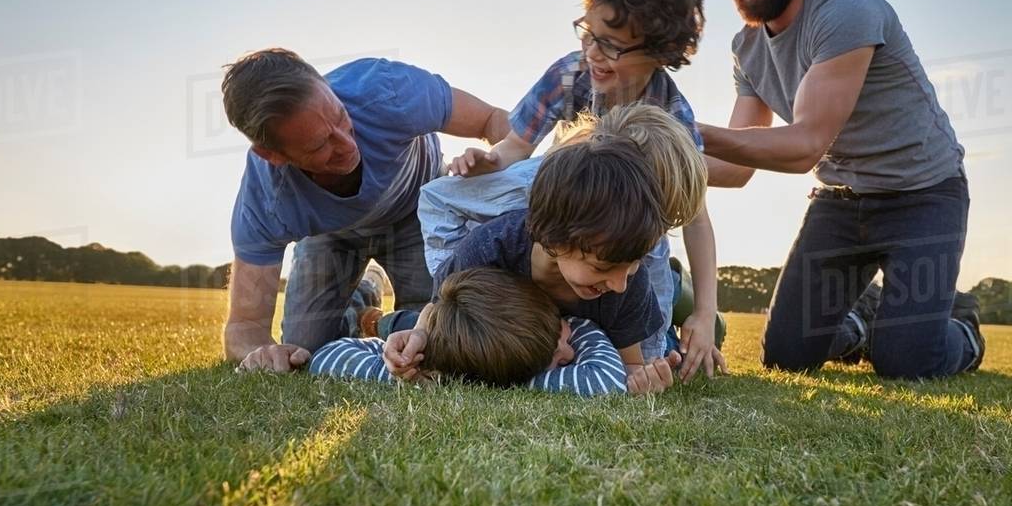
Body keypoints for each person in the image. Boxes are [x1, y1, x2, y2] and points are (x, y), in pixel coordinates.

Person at [700, 0, 986, 379]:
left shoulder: (847, 10)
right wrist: (652, 156)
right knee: (787, 357)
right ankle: (863, 315)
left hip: (923, 194)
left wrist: (684, 129)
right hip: (840, 202)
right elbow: (736, 162)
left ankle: (962, 326)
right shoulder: (747, 48)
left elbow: (806, 144)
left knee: (905, 363)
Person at [447, 0, 724, 380]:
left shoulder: (672, 115)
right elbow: (517, 144)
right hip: (575, 221)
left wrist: (707, 314)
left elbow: (696, 219)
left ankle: (678, 314)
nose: (593, 52)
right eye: (588, 33)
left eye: (612, 46)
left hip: (638, 241)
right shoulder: (570, 74)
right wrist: (489, 158)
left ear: (660, 53)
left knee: (646, 344)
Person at [221, 48, 510, 373]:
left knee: (436, 336)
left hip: (419, 214)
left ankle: (373, 318)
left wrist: (501, 163)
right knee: (305, 351)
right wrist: (261, 353)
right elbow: (244, 328)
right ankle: (362, 297)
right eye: (320, 145)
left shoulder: (386, 89)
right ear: (273, 155)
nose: (347, 145)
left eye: (342, 118)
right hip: (333, 237)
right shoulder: (266, 198)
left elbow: (494, 119)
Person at [418, 104, 726, 379]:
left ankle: (690, 302)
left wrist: (700, 318)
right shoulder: (529, 208)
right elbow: (442, 308)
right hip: (544, 291)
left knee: (667, 320)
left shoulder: (632, 268)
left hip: (635, 298)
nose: (645, 225)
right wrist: (420, 335)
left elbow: (639, 350)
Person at [384, 134, 682, 395]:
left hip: (622, 320)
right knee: (415, 326)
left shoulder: (630, 285)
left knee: (668, 334)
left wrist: (642, 380)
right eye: (602, 268)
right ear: (553, 238)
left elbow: (629, 365)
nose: (620, 284)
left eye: (632, 265)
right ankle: (374, 318)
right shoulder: (484, 253)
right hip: (507, 330)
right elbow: (439, 309)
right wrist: (419, 338)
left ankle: (685, 292)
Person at [310, 267, 627, 396]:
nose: (572, 353)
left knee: (403, 323)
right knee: (396, 327)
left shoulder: (517, 328)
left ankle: (372, 314)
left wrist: (568, 328)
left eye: (564, 329)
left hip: (429, 323)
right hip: (428, 331)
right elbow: (607, 379)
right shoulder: (425, 370)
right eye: (557, 359)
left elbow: (327, 356)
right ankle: (369, 308)